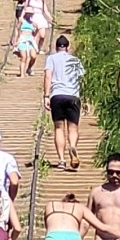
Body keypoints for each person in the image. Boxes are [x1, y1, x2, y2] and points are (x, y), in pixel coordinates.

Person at [43, 33, 85, 169]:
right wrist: (84, 99)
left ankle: (61, 160)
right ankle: (72, 146)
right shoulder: (75, 60)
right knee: (73, 128)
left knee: (59, 128)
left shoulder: (51, 58)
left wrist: (46, 95)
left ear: (56, 47)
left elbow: (48, 76)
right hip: (73, 96)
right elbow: (82, 80)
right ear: (67, 48)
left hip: (57, 95)